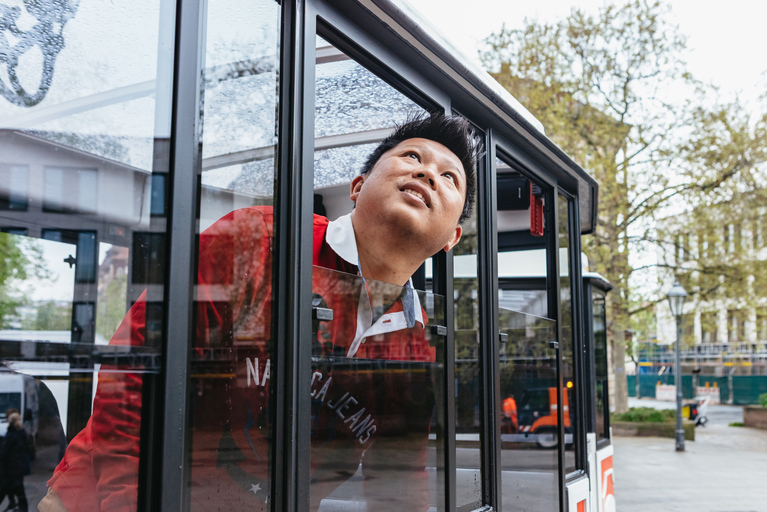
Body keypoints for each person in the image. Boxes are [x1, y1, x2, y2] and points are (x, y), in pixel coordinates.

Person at [40, 113, 479, 512]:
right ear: (358, 186)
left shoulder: (413, 348)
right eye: (411, 156)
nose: (427, 172)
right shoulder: (258, 239)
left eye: (449, 177)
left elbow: (399, 480)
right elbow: (137, 370)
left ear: (451, 238)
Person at [0, 412, 30, 512]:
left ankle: (17, 506)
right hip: (18, 466)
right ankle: (21, 507)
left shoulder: (10, 435)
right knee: (18, 489)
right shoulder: (21, 433)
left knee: (5, 488)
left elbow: (4, 453)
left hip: (9, 467)